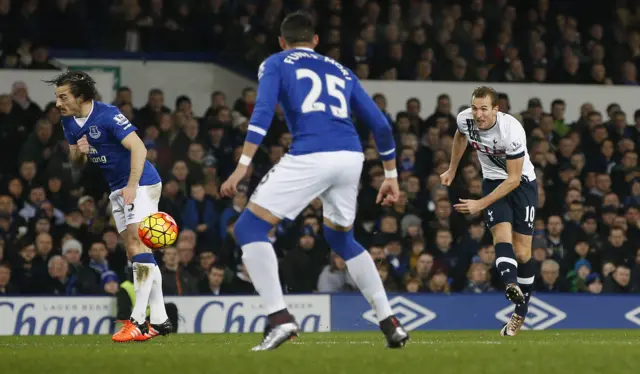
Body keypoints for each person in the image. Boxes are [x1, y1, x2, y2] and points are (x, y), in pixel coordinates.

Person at [220, 11, 408, 351]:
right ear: (316, 41)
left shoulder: (276, 62)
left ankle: (279, 318)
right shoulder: (342, 70)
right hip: (351, 157)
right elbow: (380, 125)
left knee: (249, 229)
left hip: (311, 154)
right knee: (341, 239)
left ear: (282, 41)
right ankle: (389, 320)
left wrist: (243, 164)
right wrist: (391, 175)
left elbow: (262, 111)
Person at [46, 71, 172, 342]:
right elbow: (77, 163)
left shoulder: (107, 115)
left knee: (139, 248)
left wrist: (132, 185)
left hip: (140, 183)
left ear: (81, 97)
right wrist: (81, 153)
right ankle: (160, 320)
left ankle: (137, 320)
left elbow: (139, 148)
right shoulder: (69, 122)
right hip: (119, 188)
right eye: (57, 97)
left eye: (63, 97)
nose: (58, 103)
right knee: (136, 252)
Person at [441, 86, 538, 337]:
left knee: (523, 252)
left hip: (521, 183)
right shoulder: (466, 120)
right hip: (493, 181)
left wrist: (479, 204)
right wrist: (452, 169)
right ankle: (510, 284)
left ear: (496, 109)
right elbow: (460, 136)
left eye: (484, 108)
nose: (478, 113)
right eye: (475, 107)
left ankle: (520, 313)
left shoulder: (512, 130)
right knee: (501, 236)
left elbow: (514, 179)